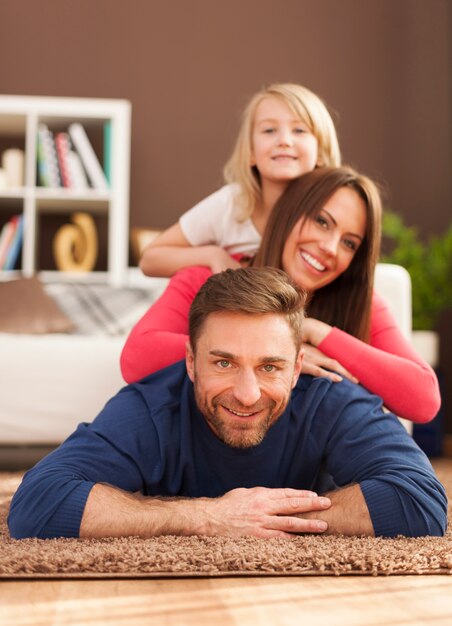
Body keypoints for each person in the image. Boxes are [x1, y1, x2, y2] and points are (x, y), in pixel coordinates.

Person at [8, 268, 447, 540]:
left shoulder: (331, 396)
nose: (247, 393)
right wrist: (207, 516)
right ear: (191, 361)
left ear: (298, 367)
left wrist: (271, 518)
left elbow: (423, 501)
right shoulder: (153, 405)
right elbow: (36, 504)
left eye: (270, 367)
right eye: (224, 362)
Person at [120, 167, 441, 424]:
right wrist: (270, 353)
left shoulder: (361, 303)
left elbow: (424, 400)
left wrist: (314, 330)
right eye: (321, 222)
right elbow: (136, 358)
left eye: (349, 243)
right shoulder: (208, 278)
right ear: (290, 213)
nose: (329, 248)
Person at [139, 83, 341, 277]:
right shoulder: (232, 203)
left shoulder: (335, 211)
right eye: (269, 130)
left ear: (321, 152)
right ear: (251, 152)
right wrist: (213, 255)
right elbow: (150, 259)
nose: (284, 141)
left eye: (299, 130)